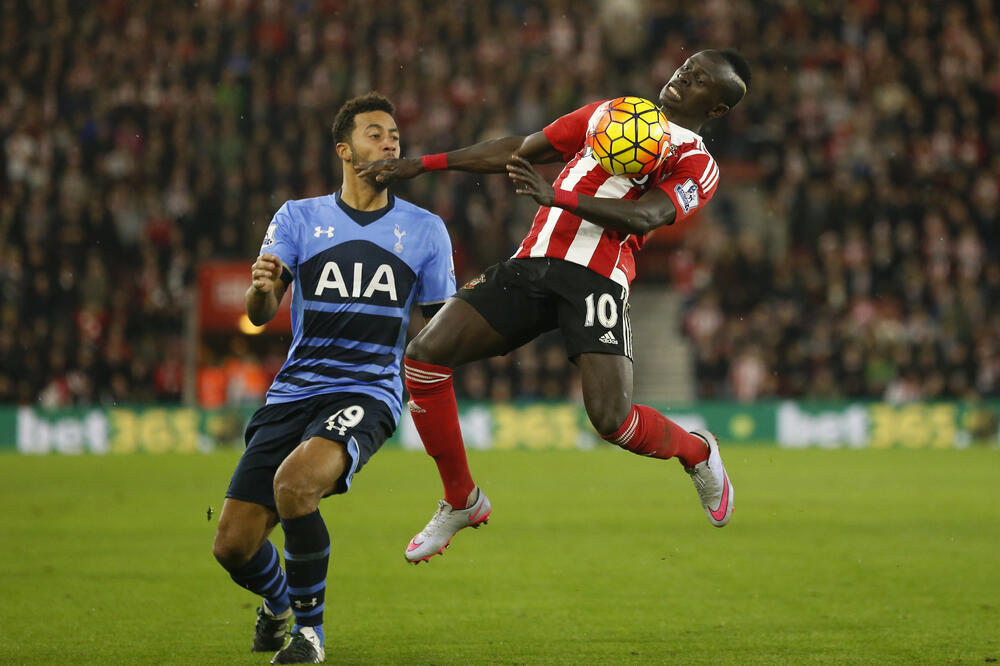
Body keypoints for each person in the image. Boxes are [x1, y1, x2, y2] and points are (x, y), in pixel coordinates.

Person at [358, 49, 750, 563]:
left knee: (612, 420)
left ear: (716, 108)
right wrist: (421, 165)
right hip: (534, 261)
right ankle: (461, 500)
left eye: (700, 80)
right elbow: (520, 150)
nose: (683, 77)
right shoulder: (612, 111)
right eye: (686, 67)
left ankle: (697, 451)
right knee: (424, 359)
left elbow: (646, 216)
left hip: (598, 280)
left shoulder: (697, 162)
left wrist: (558, 197)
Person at [211, 92, 456, 664]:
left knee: (296, 485)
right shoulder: (298, 217)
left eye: (395, 133)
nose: (390, 141)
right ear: (344, 149)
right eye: (376, 133)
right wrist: (262, 286)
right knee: (232, 546)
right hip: (295, 390)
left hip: (367, 390)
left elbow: (442, 331)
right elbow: (259, 310)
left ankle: (310, 636)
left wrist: (470, 313)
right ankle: (278, 607)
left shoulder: (426, 231)